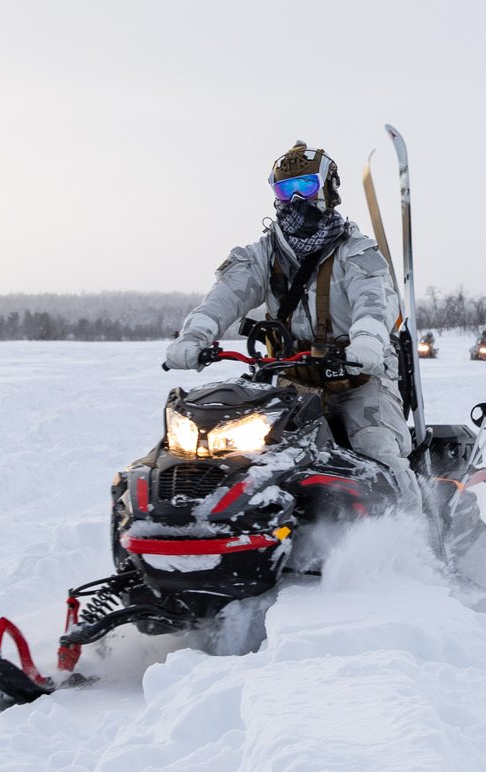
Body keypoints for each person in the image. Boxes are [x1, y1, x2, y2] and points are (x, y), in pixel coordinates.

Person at [163, 140, 421, 514]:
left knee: (378, 450)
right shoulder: (261, 255)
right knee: (241, 453)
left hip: (360, 380)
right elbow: (224, 296)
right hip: (292, 383)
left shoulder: (357, 252)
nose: (297, 199)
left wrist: (365, 343)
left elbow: (375, 303)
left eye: (307, 188)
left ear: (328, 191)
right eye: (287, 189)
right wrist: (195, 335)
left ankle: (415, 537)